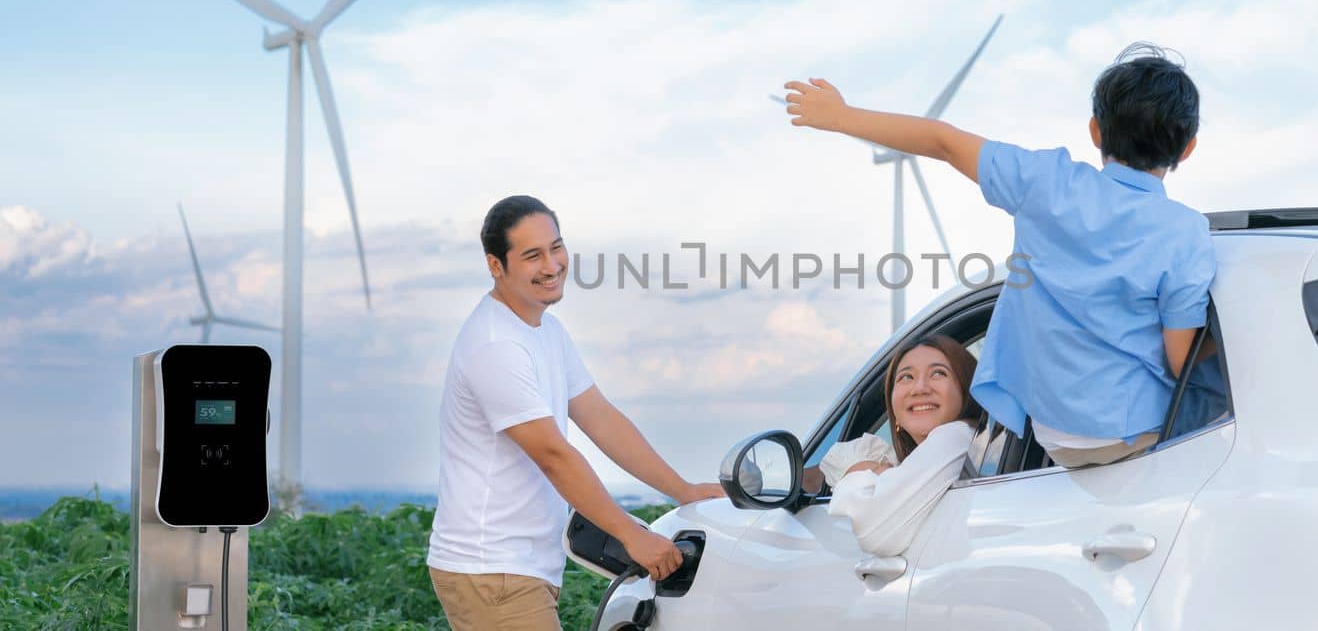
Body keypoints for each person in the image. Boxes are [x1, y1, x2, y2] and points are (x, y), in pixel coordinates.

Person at [785, 42, 1216, 469]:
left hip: (1054, 430)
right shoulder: (1185, 231)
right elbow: (1180, 358)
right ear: (1189, 147)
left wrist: (842, 117)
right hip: (1133, 430)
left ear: (1095, 131)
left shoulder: (1045, 181)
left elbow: (943, 141)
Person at [427, 195, 724, 630]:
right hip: (492, 570)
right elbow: (554, 456)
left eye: (556, 247)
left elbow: (601, 418)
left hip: (516, 568)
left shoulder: (545, 329)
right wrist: (632, 534)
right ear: (496, 265)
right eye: (532, 256)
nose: (551, 265)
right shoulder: (496, 345)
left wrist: (682, 489)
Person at [820, 335, 985, 556]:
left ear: (966, 388)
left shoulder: (956, 435)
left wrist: (860, 470)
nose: (920, 388)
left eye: (938, 373)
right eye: (906, 377)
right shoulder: (968, 446)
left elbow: (875, 532)